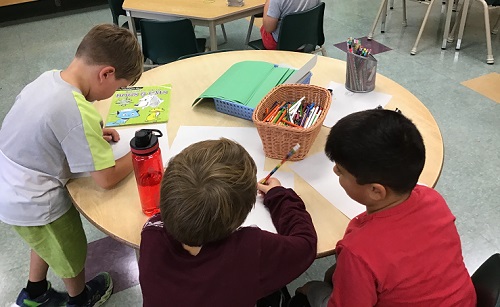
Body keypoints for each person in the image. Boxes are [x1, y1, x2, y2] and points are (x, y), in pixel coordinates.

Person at [0, 24, 143, 307]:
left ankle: (35, 291)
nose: (115, 94)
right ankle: (80, 299)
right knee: (70, 252)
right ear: (106, 73)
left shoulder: (48, 79)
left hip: (12, 186)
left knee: (45, 243)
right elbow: (105, 178)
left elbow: (46, 127)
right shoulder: (76, 111)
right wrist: (140, 152)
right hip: (37, 200)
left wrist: (88, 135)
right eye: (120, 87)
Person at [293, 109, 476, 306]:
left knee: (309, 290)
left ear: (375, 191)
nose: (335, 170)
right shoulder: (433, 199)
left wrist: (310, 289)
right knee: (336, 274)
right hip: (463, 301)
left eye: (341, 171)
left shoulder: (359, 252)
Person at [138, 138, 318, 307]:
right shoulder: (249, 250)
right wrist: (279, 195)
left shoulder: (151, 232)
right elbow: (306, 244)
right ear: (242, 214)